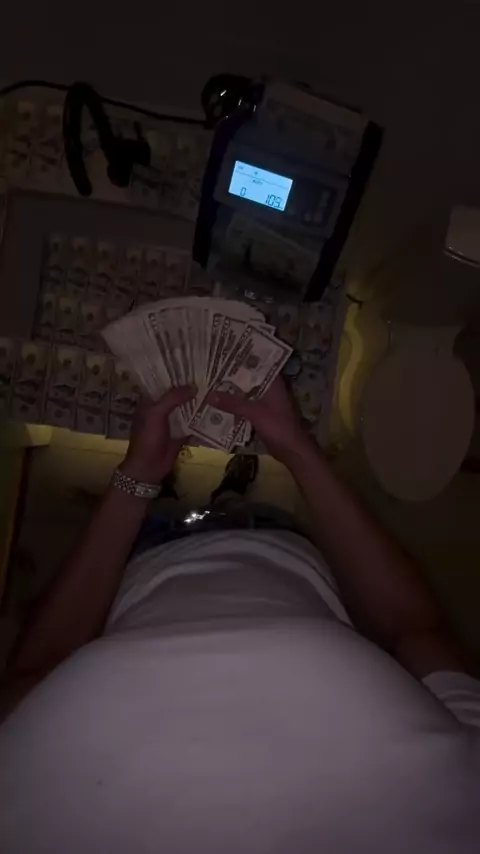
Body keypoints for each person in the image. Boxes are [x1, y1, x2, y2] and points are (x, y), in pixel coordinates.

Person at [0, 379, 479, 853]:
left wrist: (138, 476)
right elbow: (416, 628)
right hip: (275, 539)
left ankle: (173, 487)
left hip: (148, 555)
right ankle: (228, 486)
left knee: (165, 507)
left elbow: (38, 667)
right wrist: (296, 449)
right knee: (231, 501)